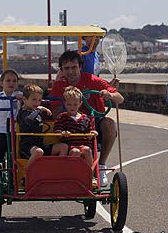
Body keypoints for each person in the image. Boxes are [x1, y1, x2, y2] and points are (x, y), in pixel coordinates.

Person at [50, 50, 124, 187]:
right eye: (66, 68)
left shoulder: (92, 80)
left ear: (80, 67)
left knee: (109, 123)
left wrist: (109, 94)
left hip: (93, 121)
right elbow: (55, 112)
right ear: (61, 70)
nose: (71, 71)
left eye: (74, 67)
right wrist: (70, 103)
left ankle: (100, 166)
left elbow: (120, 98)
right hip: (69, 125)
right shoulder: (59, 85)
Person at [17, 84, 68, 168]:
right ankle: (26, 171)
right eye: (34, 99)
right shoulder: (22, 113)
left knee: (63, 147)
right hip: (27, 147)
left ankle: (58, 169)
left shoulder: (37, 112)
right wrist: (38, 110)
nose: (37, 103)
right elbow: (29, 120)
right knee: (38, 152)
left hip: (40, 145)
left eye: (39, 100)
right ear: (25, 100)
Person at [53, 86, 97, 167]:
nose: (72, 107)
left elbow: (89, 135)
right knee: (75, 152)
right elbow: (57, 132)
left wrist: (92, 133)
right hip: (71, 145)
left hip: (84, 145)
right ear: (65, 104)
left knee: (87, 150)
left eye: (75, 104)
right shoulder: (62, 117)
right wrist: (62, 133)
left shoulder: (85, 118)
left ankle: (89, 173)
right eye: (69, 104)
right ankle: (72, 173)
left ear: (80, 104)